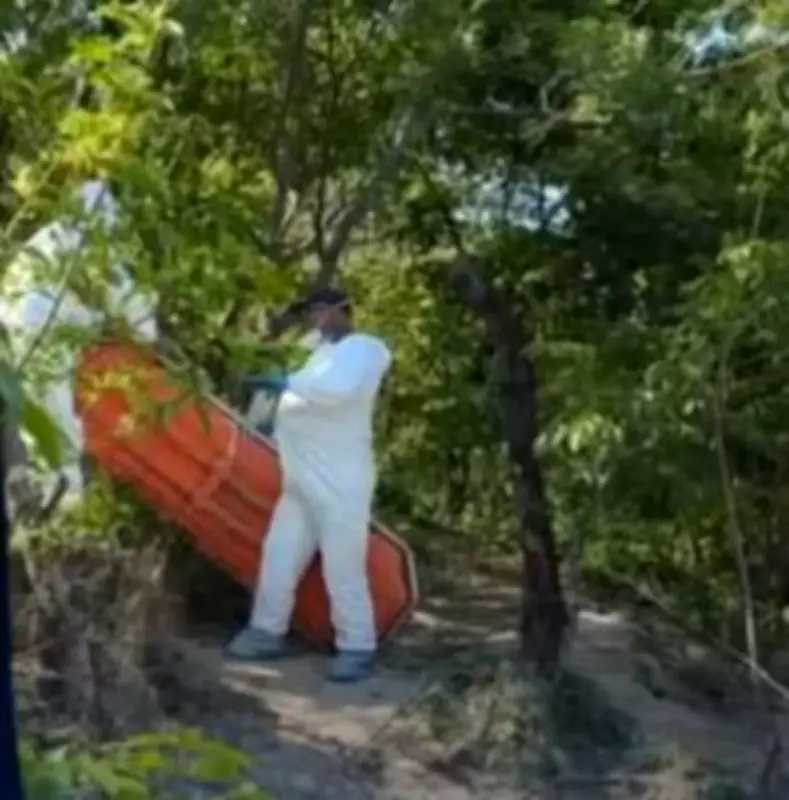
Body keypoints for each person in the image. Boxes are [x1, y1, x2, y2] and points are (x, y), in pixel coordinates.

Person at [227, 287, 392, 683]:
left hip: (341, 481)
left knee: (343, 566)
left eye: (320, 310)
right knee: (279, 557)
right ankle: (266, 632)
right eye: (309, 313)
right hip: (300, 480)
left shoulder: (366, 349)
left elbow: (339, 392)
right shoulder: (315, 353)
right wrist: (268, 413)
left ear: (343, 310)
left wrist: (285, 383)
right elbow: (293, 400)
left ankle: (357, 646)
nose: (314, 318)